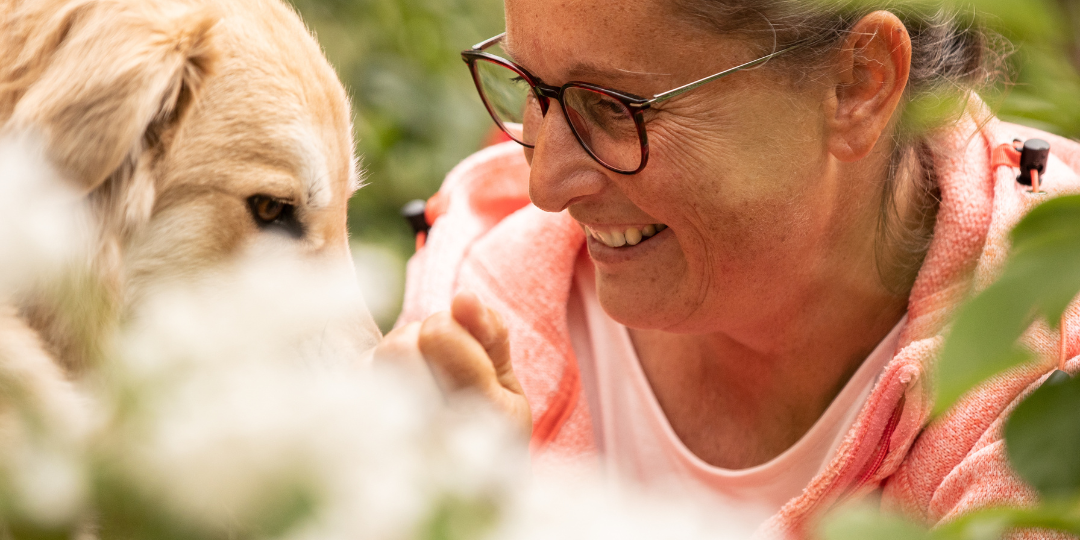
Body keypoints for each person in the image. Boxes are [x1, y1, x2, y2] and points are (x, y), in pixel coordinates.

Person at [385, 0, 1080, 537]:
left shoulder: (1050, 402)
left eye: (613, 107)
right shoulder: (475, 296)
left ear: (858, 83)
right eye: (531, 88)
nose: (544, 187)